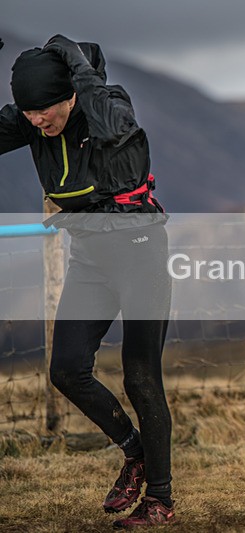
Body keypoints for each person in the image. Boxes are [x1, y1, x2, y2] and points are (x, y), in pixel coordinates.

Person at [0, 35, 175, 526]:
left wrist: (75, 63)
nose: (37, 121)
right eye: (28, 112)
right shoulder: (32, 120)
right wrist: (32, 110)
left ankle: (159, 500)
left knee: (142, 376)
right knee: (66, 369)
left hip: (140, 252)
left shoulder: (107, 104)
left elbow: (108, 120)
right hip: (92, 259)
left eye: (45, 110)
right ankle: (136, 454)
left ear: (70, 93)